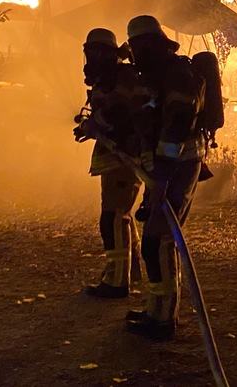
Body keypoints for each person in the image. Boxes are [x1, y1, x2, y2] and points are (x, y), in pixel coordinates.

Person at [123, 15, 205, 340]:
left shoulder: (177, 74)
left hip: (178, 167)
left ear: (157, 44)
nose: (137, 52)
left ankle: (164, 319)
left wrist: (162, 177)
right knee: (152, 242)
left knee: (160, 240)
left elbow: (178, 127)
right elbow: (145, 123)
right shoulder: (152, 75)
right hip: (160, 168)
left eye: (142, 45)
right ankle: (154, 310)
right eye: (134, 46)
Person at [77, 28, 143, 299]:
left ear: (107, 53)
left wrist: (95, 125)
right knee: (121, 214)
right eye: (88, 52)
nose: (91, 58)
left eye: (96, 52)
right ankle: (132, 269)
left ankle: (116, 282)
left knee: (113, 218)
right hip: (117, 155)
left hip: (126, 155)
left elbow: (119, 115)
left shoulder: (124, 77)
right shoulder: (108, 78)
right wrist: (89, 126)